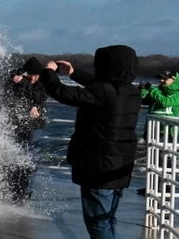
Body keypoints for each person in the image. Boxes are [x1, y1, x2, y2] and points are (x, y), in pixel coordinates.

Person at [37, 48, 141, 239]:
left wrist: (49, 72)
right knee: (108, 217)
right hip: (121, 165)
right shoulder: (132, 92)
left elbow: (62, 93)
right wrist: (74, 73)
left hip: (98, 166)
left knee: (98, 222)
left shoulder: (100, 92)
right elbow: (105, 87)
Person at [0, 57, 48, 203]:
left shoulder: (40, 84)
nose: (33, 78)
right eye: (31, 74)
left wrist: (35, 107)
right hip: (17, 125)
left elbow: (40, 96)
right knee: (14, 158)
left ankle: (26, 193)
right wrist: (14, 77)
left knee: (30, 161)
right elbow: (4, 78)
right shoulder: (17, 80)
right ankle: (13, 190)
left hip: (34, 126)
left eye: (36, 75)